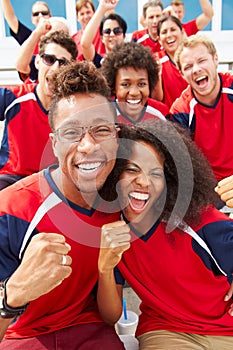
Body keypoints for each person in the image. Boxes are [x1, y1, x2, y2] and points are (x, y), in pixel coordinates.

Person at [0, 61, 125, 349]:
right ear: (54, 144)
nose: (87, 146)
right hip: (22, 336)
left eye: (101, 130)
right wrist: (14, 293)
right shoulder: (12, 209)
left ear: (116, 137)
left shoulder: (123, 204)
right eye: (72, 133)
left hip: (91, 330)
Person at [98, 119, 233, 350]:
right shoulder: (111, 231)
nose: (143, 182)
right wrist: (105, 267)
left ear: (169, 183)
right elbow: (111, 316)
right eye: (132, 169)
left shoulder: (201, 224)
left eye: (156, 174)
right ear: (115, 173)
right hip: (167, 330)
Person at [0, 30, 77, 190]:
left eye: (63, 63)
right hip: (11, 181)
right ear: (37, 62)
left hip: (51, 185)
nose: (56, 68)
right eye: (49, 59)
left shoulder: (74, 108)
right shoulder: (13, 97)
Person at [170, 34, 233, 186]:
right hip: (207, 185)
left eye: (202, 61)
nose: (196, 69)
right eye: (188, 66)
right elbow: (181, 163)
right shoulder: (180, 111)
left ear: (215, 59)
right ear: (182, 74)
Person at [101, 41, 169, 124]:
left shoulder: (159, 115)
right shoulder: (104, 118)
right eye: (125, 84)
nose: (134, 92)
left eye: (141, 84)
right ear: (114, 87)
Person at [15, 17, 71, 83]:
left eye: (62, 35)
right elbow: (20, 66)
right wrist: (37, 32)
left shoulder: (72, 61)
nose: (57, 39)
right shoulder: (40, 59)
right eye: (52, 35)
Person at [151, 15, 188, 108]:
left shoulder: (193, 58)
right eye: (164, 32)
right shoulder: (156, 60)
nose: (169, 35)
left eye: (173, 30)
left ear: (182, 32)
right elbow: (157, 99)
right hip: (168, 119)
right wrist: (157, 76)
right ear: (159, 39)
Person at [81, 0, 126, 68]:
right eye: (107, 31)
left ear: (124, 36)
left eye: (117, 31)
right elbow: (85, 44)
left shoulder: (132, 61)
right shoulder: (100, 61)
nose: (112, 34)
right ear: (102, 38)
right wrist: (102, 8)